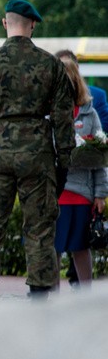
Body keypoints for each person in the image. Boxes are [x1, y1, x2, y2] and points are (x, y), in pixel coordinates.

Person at [0, 0, 75, 304]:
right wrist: (63, 164)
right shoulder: (50, 64)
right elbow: (64, 120)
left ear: (4, 23)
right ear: (33, 24)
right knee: (39, 231)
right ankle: (38, 302)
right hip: (37, 154)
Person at [53, 50, 107, 290]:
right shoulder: (48, 113)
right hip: (54, 194)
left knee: (80, 247)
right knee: (51, 248)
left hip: (81, 195)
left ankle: (86, 298)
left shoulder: (89, 113)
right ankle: (46, 300)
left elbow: (99, 158)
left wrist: (100, 194)